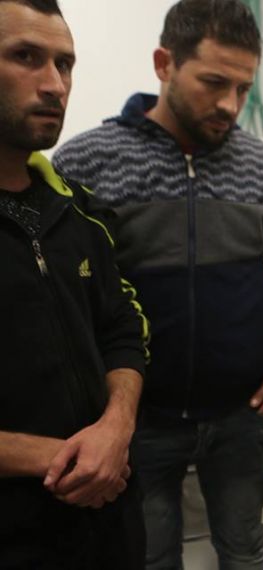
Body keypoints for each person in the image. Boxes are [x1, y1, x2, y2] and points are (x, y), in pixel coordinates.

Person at [52, 0, 263, 567]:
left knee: (245, 549)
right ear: (164, 64)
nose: (230, 105)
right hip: (137, 420)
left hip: (242, 413)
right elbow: (69, 297)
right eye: (213, 83)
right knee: (150, 555)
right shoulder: (85, 164)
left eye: (243, 88)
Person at [0, 0, 149, 567]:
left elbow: (124, 329)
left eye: (64, 64)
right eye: (26, 57)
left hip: (107, 527)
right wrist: (59, 457)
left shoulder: (79, 212)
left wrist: (116, 426)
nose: (55, 84)